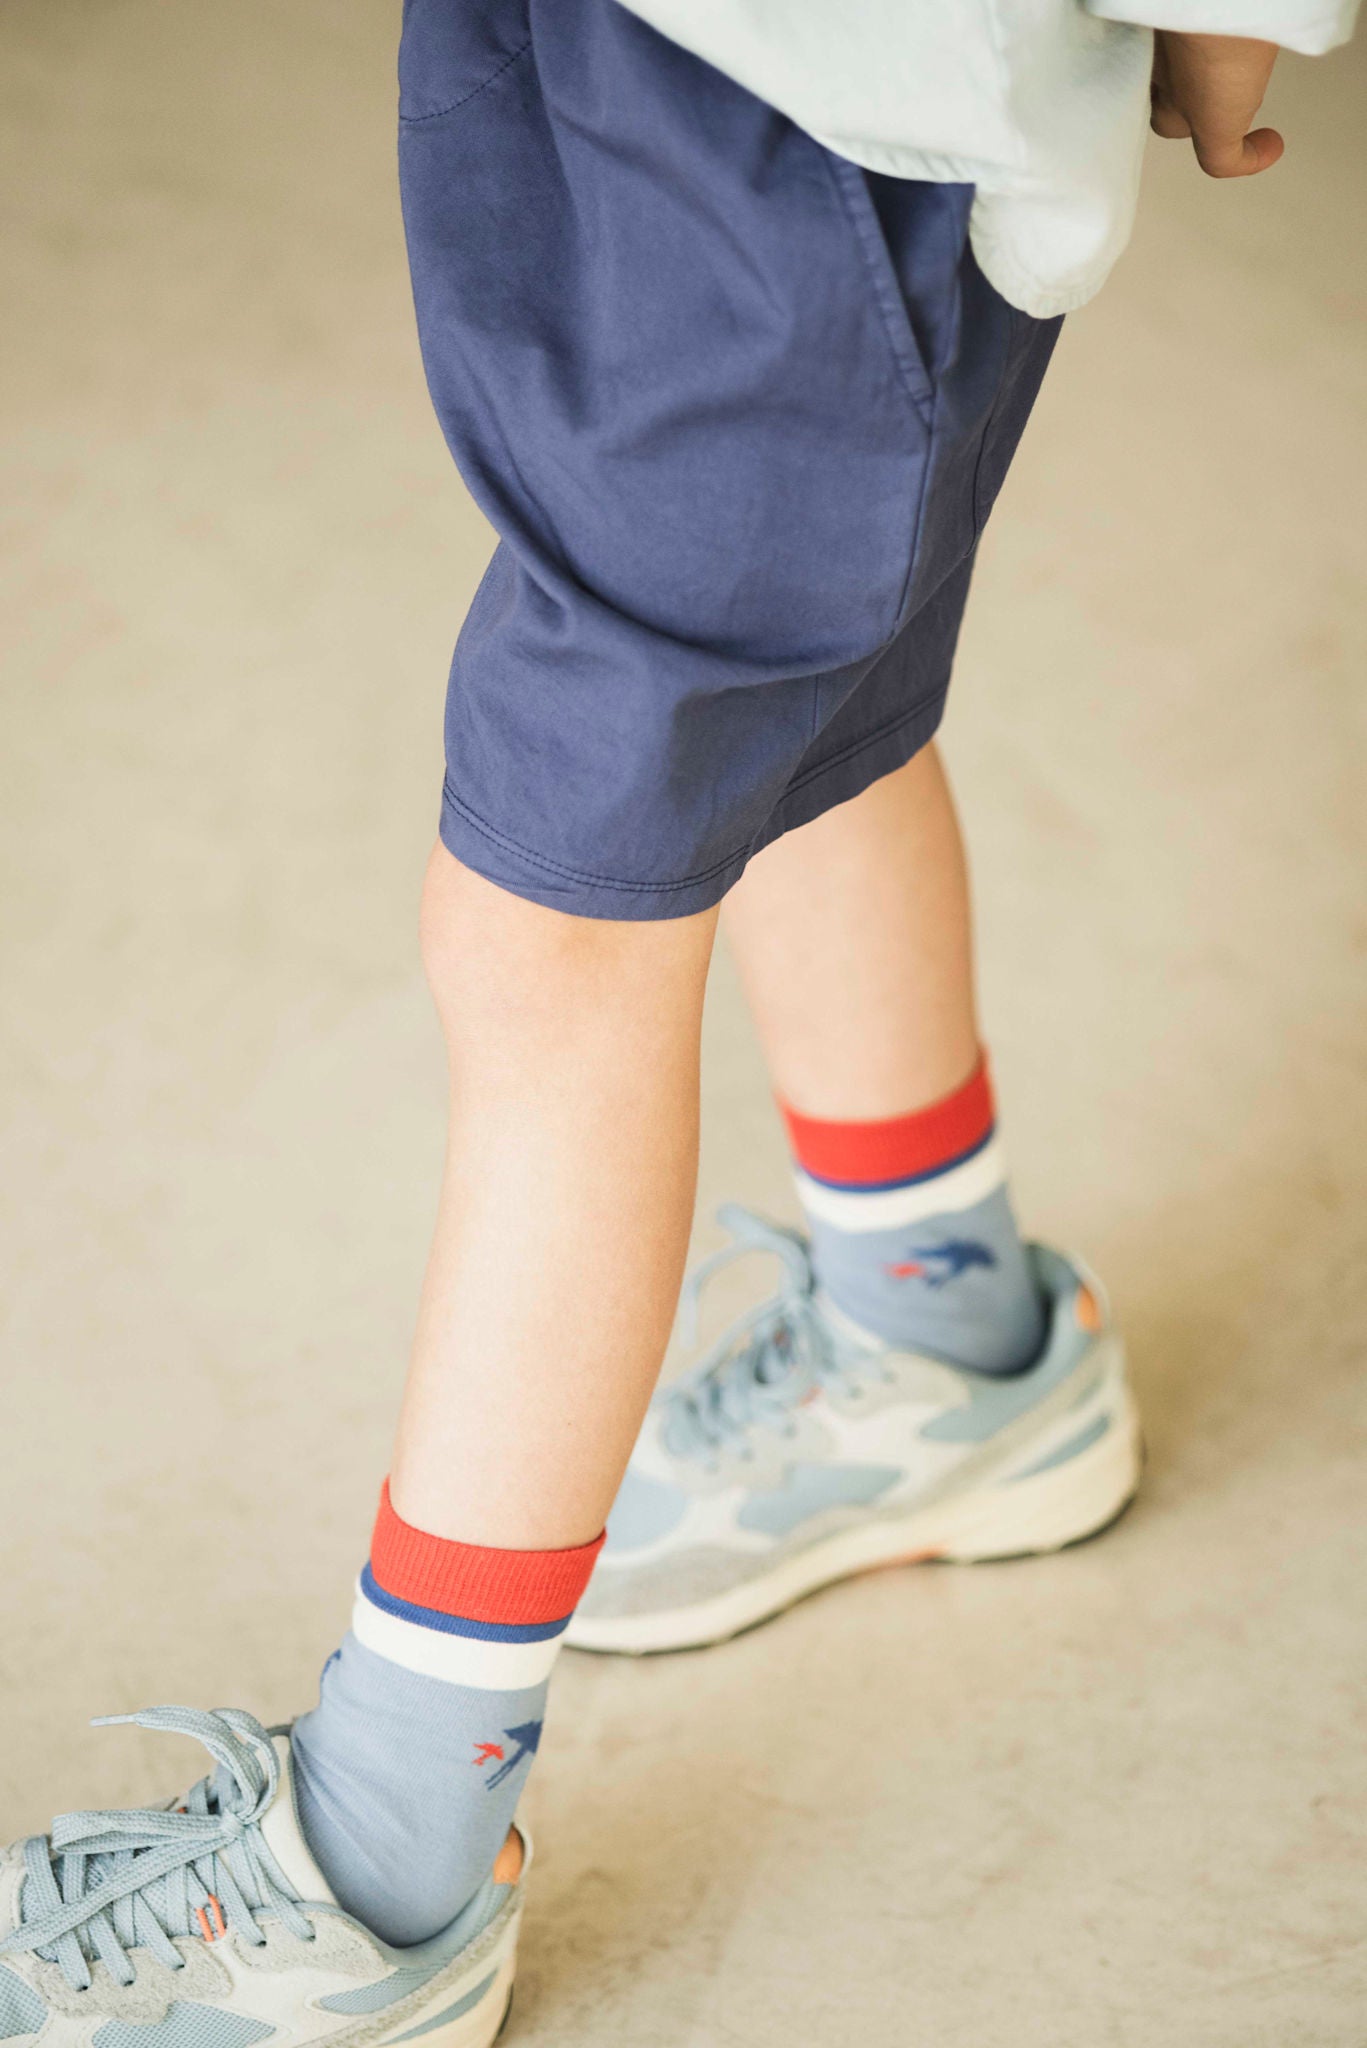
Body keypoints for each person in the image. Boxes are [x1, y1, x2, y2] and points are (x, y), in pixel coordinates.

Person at [0, 7, 1354, 2046]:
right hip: (645, 60)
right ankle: (941, 1325)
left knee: (553, 929)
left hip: (825, 118)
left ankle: (391, 1849)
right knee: (803, 730)